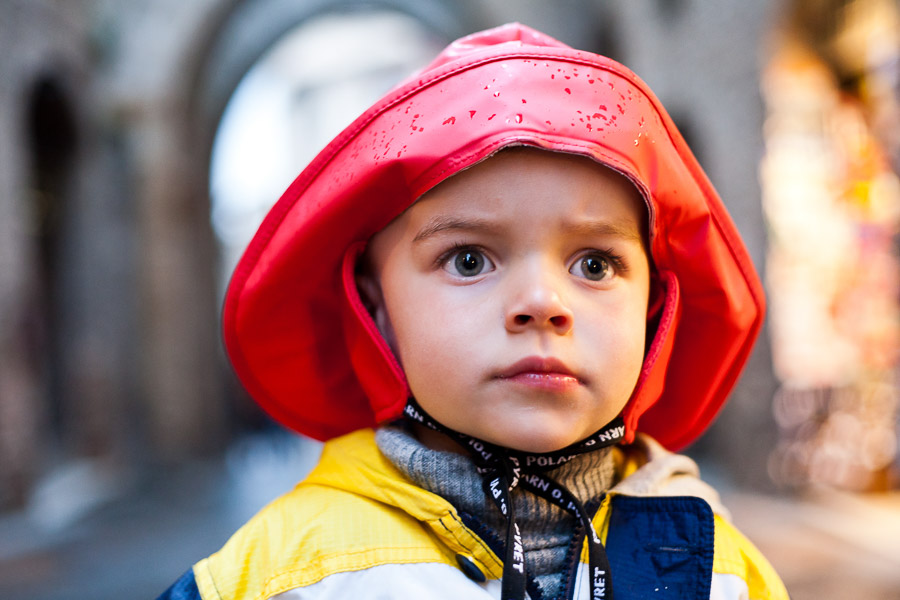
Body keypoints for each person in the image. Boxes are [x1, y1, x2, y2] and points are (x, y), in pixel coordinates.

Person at [158, 23, 788, 600]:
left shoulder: (721, 573)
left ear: (653, 309)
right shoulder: (284, 575)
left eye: (594, 265)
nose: (541, 304)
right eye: (468, 260)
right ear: (373, 307)